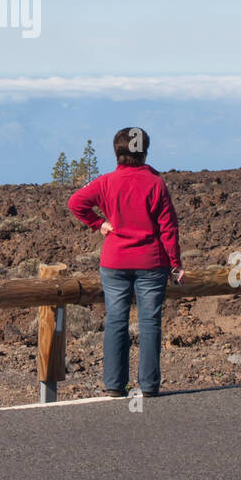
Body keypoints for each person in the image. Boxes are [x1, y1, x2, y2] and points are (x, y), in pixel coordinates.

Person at [67, 127, 184, 398]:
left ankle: (114, 385)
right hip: (151, 262)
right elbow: (169, 229)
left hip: (115, 261)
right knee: (150, 322)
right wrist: (175, 263)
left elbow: (76, 202)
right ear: (144, 152)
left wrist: (98, 224)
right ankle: (149, 385)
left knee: (116, 320)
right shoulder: (155, 184)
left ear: (117, 152)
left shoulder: (106, 182)